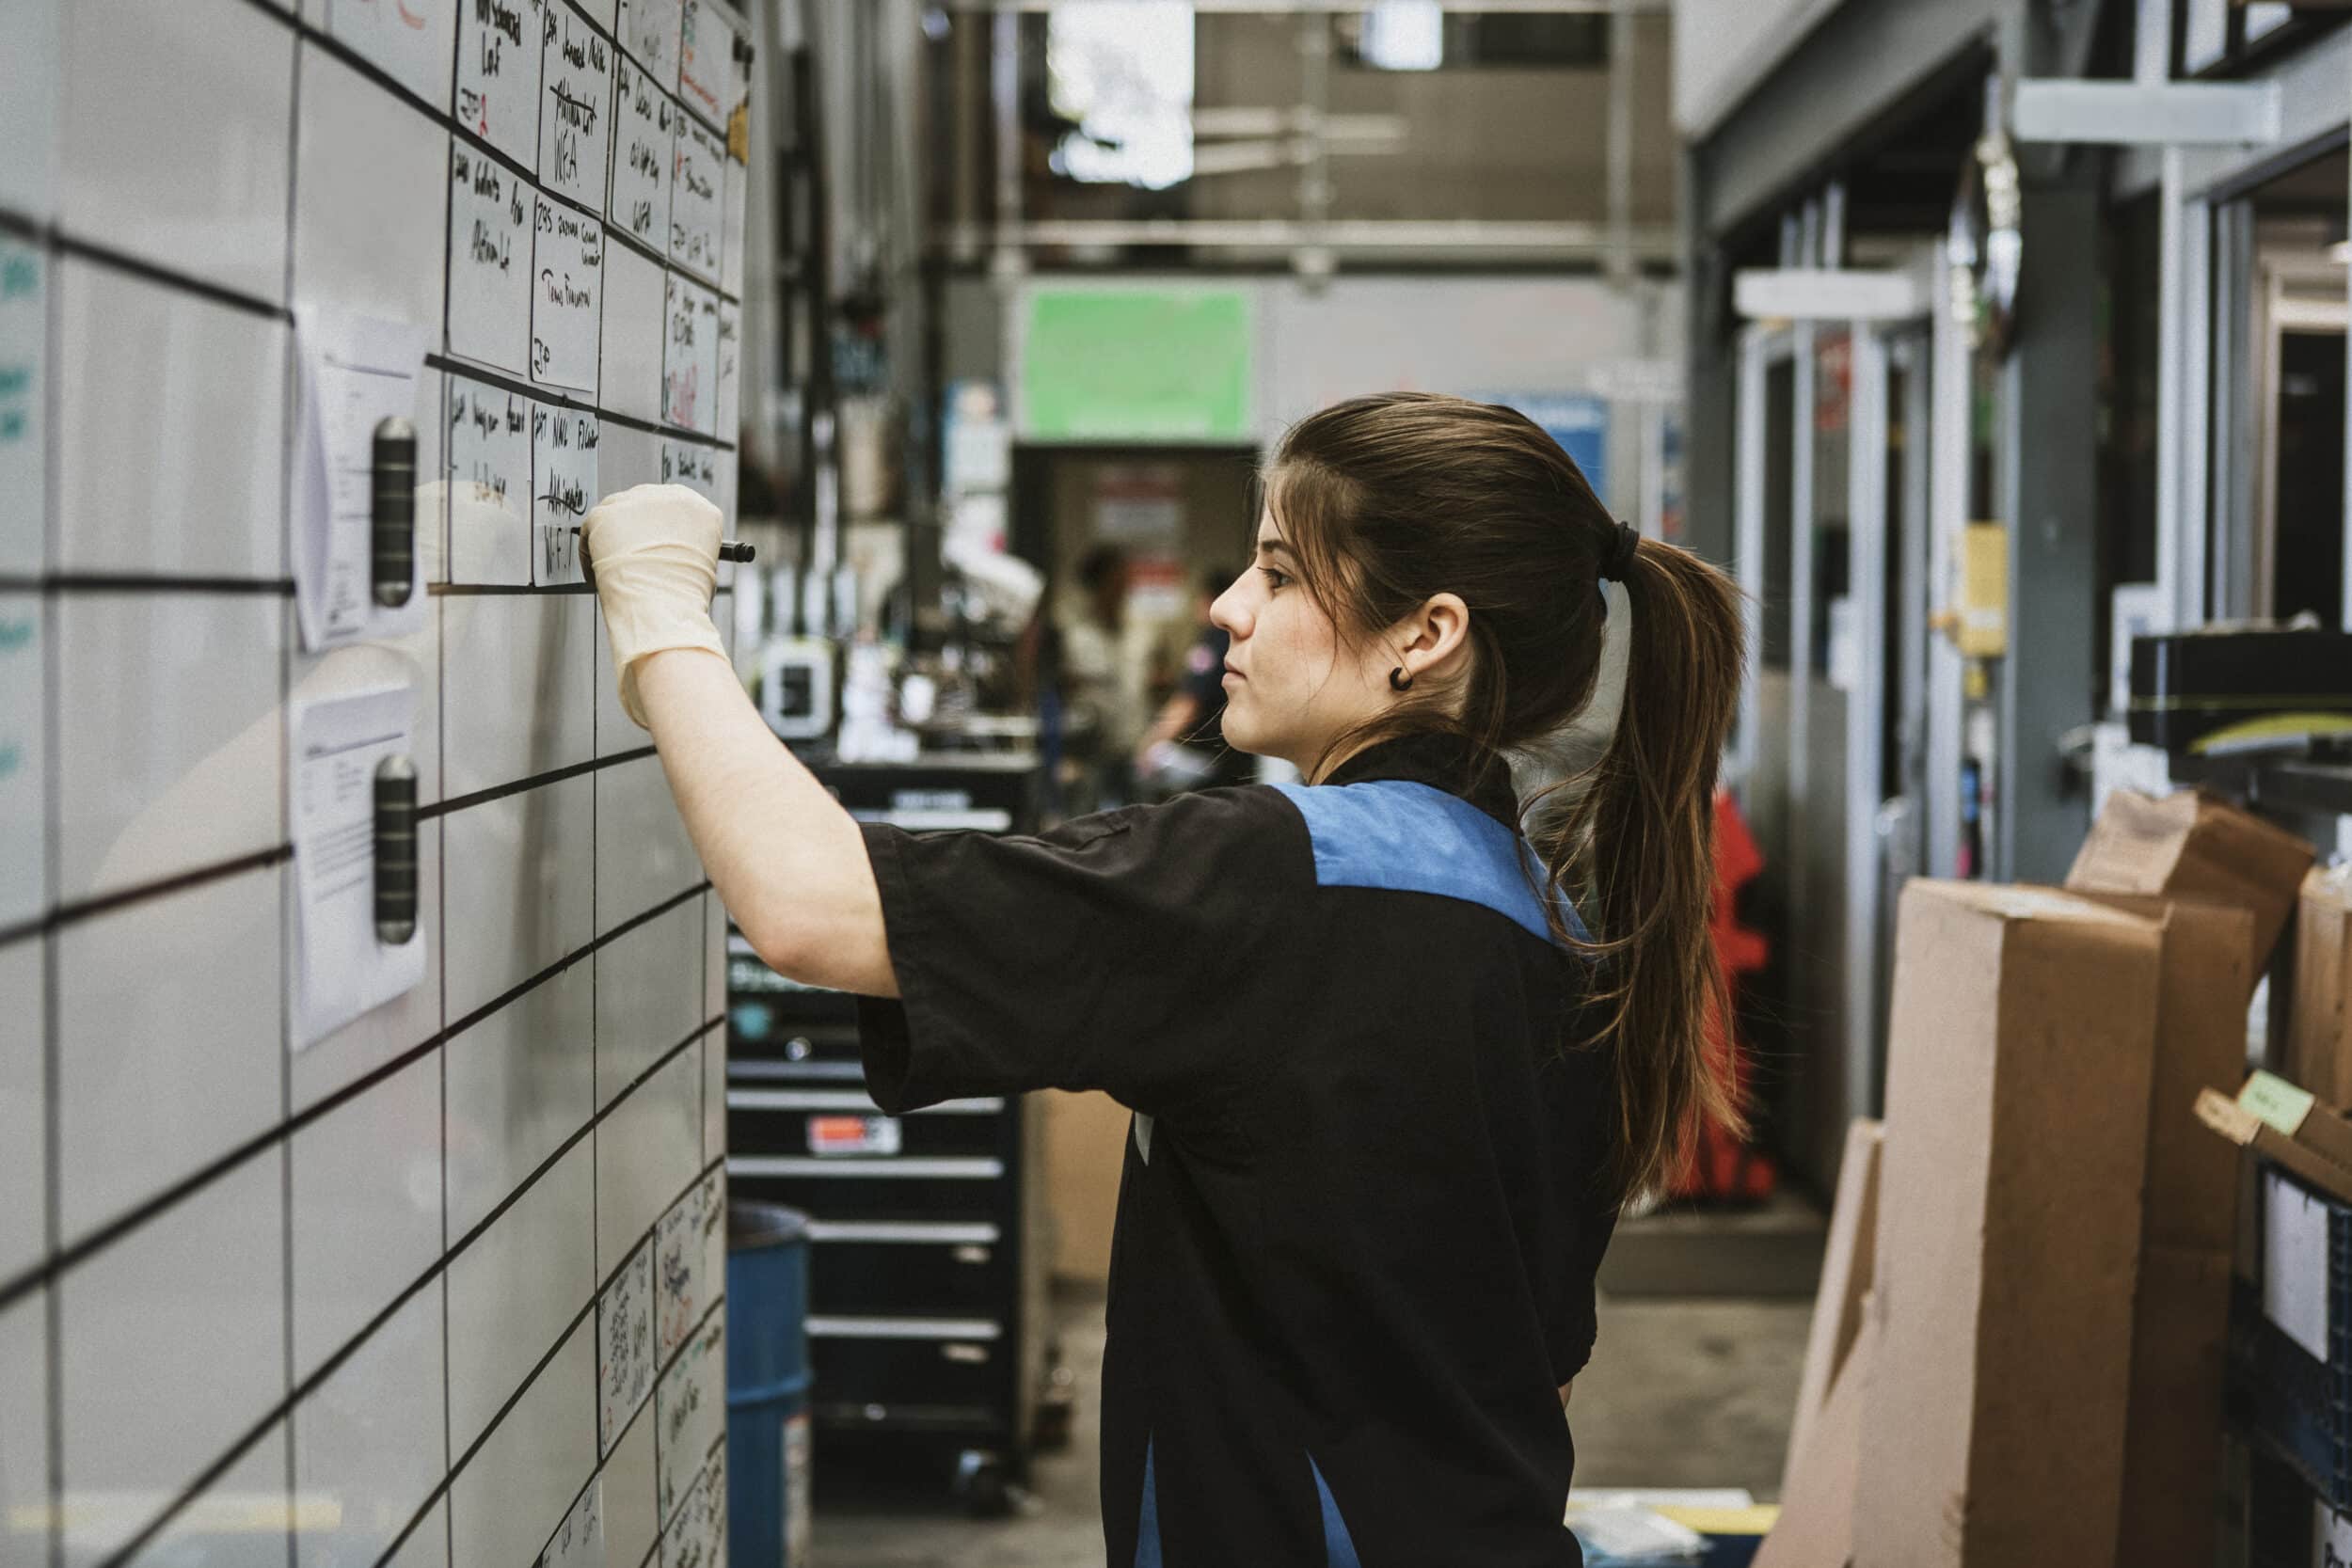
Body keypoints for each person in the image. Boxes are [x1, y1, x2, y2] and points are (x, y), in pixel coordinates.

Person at [580, 390, 1746, 1566]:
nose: (1227, 607)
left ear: (1424, 634)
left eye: (1281, 574)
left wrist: (661, 618)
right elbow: (1521, 1360)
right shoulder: (1556, 924)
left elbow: (809, 903)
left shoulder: (1281, 879)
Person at [1132, 563, 1253, 793]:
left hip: (1209, 762)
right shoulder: (1239, 640)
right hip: (1237, 759)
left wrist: (1150, 743)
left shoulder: (1213, 641)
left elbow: (1188, 701)